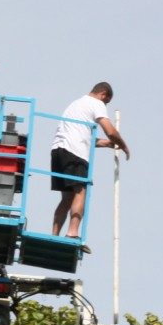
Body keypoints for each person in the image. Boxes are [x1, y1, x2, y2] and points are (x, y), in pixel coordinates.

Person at [50, 81, 130, 240]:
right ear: (103, 95)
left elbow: (83, 137)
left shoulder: (76, 105)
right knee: (80, 191)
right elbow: (110, 131)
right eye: (106, 102)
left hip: (58, 151)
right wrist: (124, 146)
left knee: (67, 198)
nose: (105, 105)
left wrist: (106, 144)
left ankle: (54, 235)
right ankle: (72, 233)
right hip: (74, 153)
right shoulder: (96, 103)